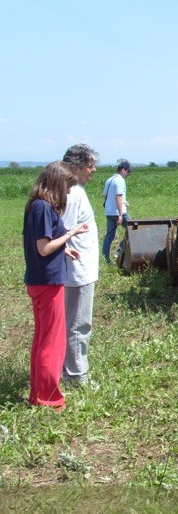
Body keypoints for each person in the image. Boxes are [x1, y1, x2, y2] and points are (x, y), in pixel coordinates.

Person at [23, 161, 89, 410]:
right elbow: (43, 248)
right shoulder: (42, 208)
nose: (69, 192)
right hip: (48, 282)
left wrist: (64, 250)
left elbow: (44, 246)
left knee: (43, 339)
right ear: (56, 183)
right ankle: (49, 398)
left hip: (41, 279)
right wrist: (70, 234)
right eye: (67, 186)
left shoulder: (36, 206)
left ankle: (38, 394)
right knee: (52, 342)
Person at [61, 144, 100, 388]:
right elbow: (62, 231)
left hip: (81, 269)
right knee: (78, 324)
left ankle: (70, 370)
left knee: (76, 322)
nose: (93, 170)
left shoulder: (73, 191)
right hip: (77, 271)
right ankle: (76, 377)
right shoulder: (72, 193)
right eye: (90, 165)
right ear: (75, 168)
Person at [102, 161, 132, 263]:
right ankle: (119, 252)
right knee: (133, 230)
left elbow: (106, 196)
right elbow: (118, 197)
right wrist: (120, 215)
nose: (128, 174)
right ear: (123, 170)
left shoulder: (110, 180)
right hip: (119, 212)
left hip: (109, 212)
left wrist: (124, 201)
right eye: (128, 172)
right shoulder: (120, 180)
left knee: (109, 235)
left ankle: (105, 258)